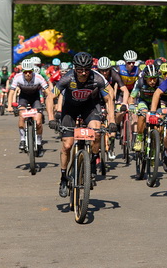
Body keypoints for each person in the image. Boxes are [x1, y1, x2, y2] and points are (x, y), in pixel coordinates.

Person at [50, 52, 117, 197]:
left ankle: (92, 160)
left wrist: (112, 120)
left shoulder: (97, 78)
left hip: (89, 109)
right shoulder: (67, 77)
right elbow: (51, 96)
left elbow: (108, 99)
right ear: (75, 68)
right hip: (70, 110)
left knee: (97, 133)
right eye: (80, 70)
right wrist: (51, 119)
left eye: (86, 69)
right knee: (67, 145)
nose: (83, 73)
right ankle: (63, 177)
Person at [7, 59, 55, 155]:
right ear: (22, 71)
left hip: (35, 99)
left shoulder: (39, 77)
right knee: (22, 117)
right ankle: (22, 139)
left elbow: (48, 93)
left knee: (38, 122)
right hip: (23, 98)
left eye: (30, 71)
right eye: (25, 72)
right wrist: (9, 106)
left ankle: (39, 142)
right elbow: (11, 92)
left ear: (33, 71)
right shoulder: (18, 77)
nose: (28, 74)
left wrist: (50, 104)